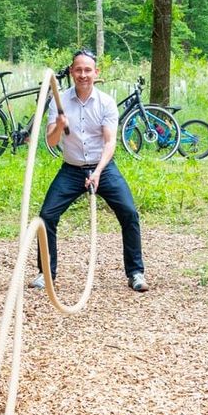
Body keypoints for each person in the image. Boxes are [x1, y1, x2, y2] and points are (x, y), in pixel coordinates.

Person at [30, 49, 149, 293]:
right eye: (78, 70)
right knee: (46, 216)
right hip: (72, 170)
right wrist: (59, 126)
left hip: (103, 168)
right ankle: (46, 274)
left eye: (87, 70)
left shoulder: (106, 102)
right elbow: (51, 141)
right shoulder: (59, 101)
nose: (83, 75)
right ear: (71, 72)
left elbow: (110, 142)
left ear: (96, 72)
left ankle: (135, 272)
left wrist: (97, 172)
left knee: (129, 212)